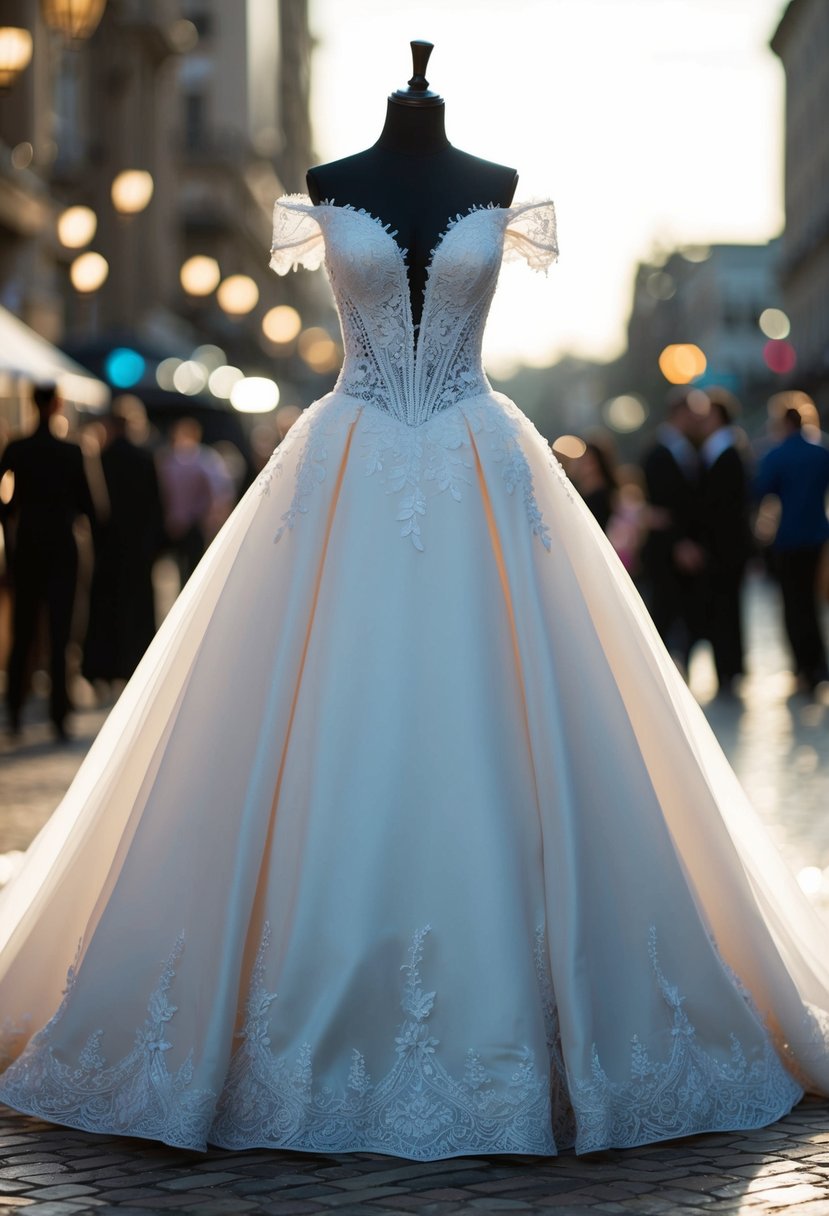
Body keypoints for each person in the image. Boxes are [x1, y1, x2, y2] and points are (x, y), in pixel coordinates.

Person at [0, 49, 827, 1161]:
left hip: (485, 466)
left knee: (516, 722)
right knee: (307, 725)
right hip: (343, 468)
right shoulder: (327, 173)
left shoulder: (496, 179)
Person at [0, 383, 95, 739]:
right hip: (63, 549)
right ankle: (59, 714)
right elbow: (93, 508)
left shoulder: (17, 449)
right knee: (61, 633)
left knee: (23, 632)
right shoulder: (73, 452)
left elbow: (4, 504)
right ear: (57, 404)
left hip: (26, 548)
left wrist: (13, 520)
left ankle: (14, 712)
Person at [82, 401, 165, 689]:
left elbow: (92, 509)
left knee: (107, 607)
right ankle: (135, 666)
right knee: (136, 608)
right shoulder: (145, 459)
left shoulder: (101, 459)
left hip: (108, 548)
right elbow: (156, 507)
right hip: (138, 548)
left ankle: (102, 670)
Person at [755, 406, 829, 692]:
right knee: (812, 603)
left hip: (788, 538)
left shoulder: (776, 455)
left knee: (792, 604)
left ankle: (802, 667)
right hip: (817, 535)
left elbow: (760, 491)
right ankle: (819, 665)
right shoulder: (821, 452)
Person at [639, 391, 706, 670]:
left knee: (684, 613)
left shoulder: (685, 450)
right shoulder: (659, 452)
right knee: (664, 613)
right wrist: (680, 543)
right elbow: (664, 507)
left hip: (679, 546)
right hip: (666, 550)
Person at [697, 393, 753, 694]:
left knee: (726, 609)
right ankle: (731, 666)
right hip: (725, 546)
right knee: (726, 609)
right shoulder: (720, 450)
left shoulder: (726, 452)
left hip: (725, 547)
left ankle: (730, 668)